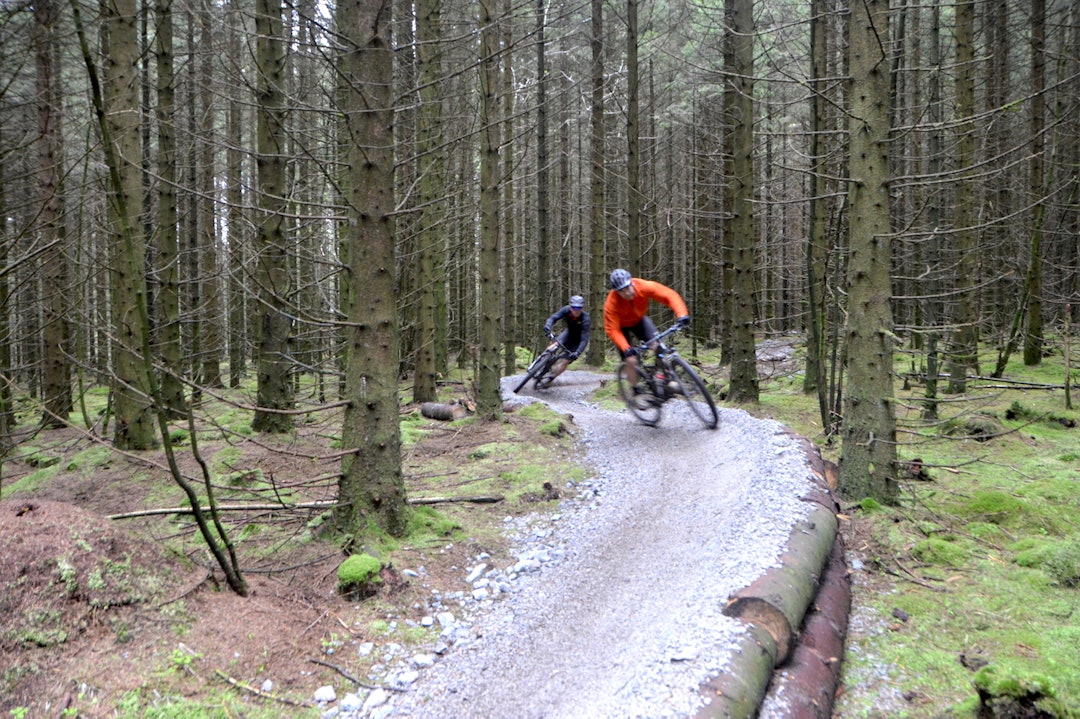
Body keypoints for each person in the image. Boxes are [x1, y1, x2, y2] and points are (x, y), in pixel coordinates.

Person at [603, 268, 690, 396]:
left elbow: (668, 295)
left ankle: (665, 379)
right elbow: (613, 330)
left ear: (631, 282)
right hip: (621, 328)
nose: (627, 293)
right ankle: (635, 389)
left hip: (639, 321)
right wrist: (626, 348)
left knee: (657, 346)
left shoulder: (643, 286)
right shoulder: (611, 304)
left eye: (628, 287)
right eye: (622, 291)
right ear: (616, 292)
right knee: (631, 360)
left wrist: (682, 314)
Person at [536, 294, 591, 388]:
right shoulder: (566, 310)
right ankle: (538, 364)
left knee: (565, 361)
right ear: (570, 307)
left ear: (582, 308)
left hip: (577, 342)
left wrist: (577, 353)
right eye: (573, 307)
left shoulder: (585, 319)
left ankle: (551, 378)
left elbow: (585, 339)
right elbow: (553, 318)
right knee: (553, 346)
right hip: (568, 335)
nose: (575, 310)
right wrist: (548, 327)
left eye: (578, 308)